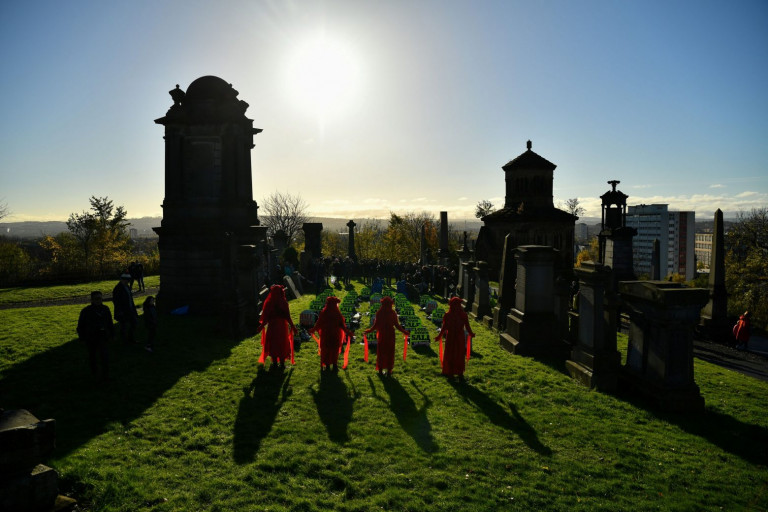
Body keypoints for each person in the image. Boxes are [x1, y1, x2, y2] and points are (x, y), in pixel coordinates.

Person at [363, 296, 409, 377]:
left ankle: (380, 370)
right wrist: (404, 331)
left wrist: (369, 331)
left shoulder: (379, 313)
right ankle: (389, 371)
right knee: (390, 353)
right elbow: (397, 325)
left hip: (382, 335)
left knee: (381, 352)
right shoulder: (393, 313)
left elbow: (376, 325)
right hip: (390, 335)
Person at [256, 285, 298, 369]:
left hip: (272, 326)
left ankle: (274, 363)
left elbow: (266, 318)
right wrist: (293, 327)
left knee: (273, 344)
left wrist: (261, 326)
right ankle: (282, 364)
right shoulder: (283, 302)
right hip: (282, 326)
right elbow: (288, 316)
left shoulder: (269, 302)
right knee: (282, 344)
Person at [308, 296, 353, 371]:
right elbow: (342, 325)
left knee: (326, 350)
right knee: (335, 350)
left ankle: (327, 365)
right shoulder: (337, 313)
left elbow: (318, 323)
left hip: (326, 334)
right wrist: (348, 332)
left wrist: (313, 329)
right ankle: (335, 365)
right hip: (336, 334)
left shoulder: (324, 312)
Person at [77, 291, 114, 382]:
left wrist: (112, 334)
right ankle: (95, 373)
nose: (99, 300)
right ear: (92, 300)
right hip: (92, 337)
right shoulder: (86, 311)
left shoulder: (105, 309)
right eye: (96, 299)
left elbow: (110, 322)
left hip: (102, 336)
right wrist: (82, 338)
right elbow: (81, 326)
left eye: (100, 298)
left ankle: (104, 375)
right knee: (93, 356)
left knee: (104, 357)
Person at [435, 296, 476, 378]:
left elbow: (444, 327)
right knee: (459, 354)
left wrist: (439, 336)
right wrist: (471, 333)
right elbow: (467, 326)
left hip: (450, 336)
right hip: (460, 337)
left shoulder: (447, 315)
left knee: (450, 353)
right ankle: (459, 372)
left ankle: (450, 372)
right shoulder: (463, 315)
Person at [112, 272, 139, 344]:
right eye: (126, 280)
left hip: (130, 309)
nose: (127, 281)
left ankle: (130, 339)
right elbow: (116, 301)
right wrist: (120, 311)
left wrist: (133, 309)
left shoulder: (127, 287)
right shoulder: (117, 288)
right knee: (123, 327)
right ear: (121, 279)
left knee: (134, 323)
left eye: (128, 280)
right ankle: (125, 341)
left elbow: (130, 299)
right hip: (123, 311)